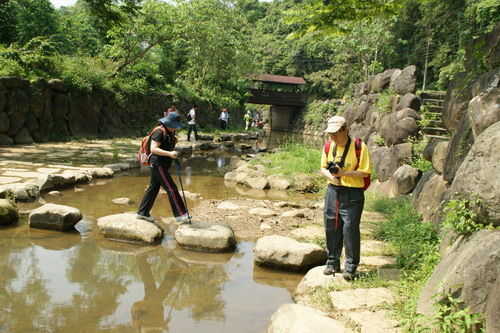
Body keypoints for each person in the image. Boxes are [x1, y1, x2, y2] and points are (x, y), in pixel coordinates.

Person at [320, 116, 371, 281]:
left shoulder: (359, 147)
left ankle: (350, 268)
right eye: (330, 134)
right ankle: (332, 263)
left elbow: (365, 172)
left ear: (346, 130)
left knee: (349, 230)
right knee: (331, 226)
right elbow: (323, 167)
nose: (333, 137)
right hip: (333, 191)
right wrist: (332, 176)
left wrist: (344, 174)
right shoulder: (329, 146)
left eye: (336, 133)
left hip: (352, 193)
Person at [136, 112, 190, 223]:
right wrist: (170, 154)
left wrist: (173, 143)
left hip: (161, 164)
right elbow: (154, 149)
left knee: (153, 189)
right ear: (168, 123)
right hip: (157, 164)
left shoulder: (168, 133)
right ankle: (180, 215)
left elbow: (164, 147)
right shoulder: (160, 132)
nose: (176, 128)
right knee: (172, 189)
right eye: (175, 126)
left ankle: (142, 213)